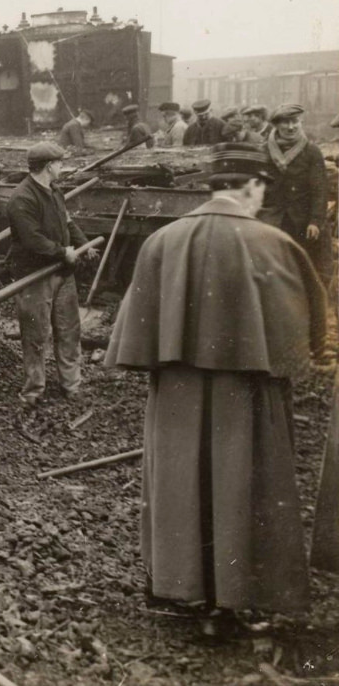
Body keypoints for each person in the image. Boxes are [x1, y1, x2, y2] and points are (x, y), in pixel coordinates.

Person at [106, 142, 327, 634]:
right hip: (246, 393)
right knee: (245, 483)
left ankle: (176, 589)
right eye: (261, 190)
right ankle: (237, 599)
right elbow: (305, 336)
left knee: (178, 480)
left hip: (177, 393)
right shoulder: (272, 242)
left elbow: (133, 334)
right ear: (251, 186)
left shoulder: (162, 240)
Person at [6, 142, 98, 408]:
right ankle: (33, 390)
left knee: (69, 329)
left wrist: (84, 245)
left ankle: (72, 384)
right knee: (36, 333)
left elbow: (68, 222)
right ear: (49, 166)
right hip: (35, 275)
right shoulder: (22, 199)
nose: (62, 167)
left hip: (62, 273)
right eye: (59, 163)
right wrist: (62, 252)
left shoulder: (55, 191)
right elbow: (32, 240)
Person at [260, 103, 332, 286]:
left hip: (302, 221)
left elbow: (319, 189)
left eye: (295, 122)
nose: (291, 127)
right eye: (286, 123)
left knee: (307, 268)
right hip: (272, 219)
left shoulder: (311, 151)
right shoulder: (264, 151)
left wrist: (315, 221)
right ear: (276, 125)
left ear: (301, 122)